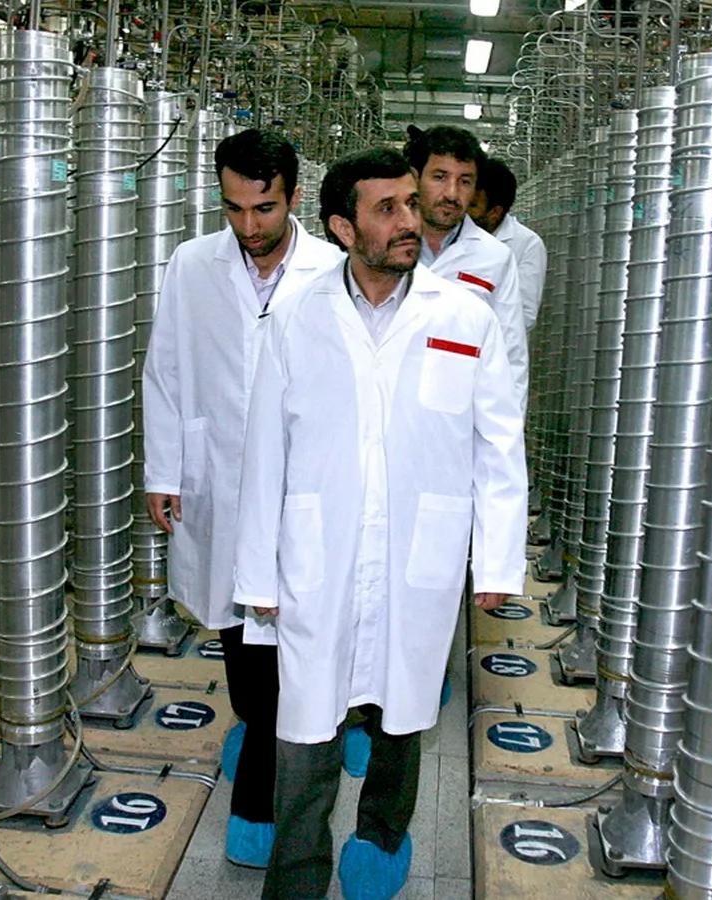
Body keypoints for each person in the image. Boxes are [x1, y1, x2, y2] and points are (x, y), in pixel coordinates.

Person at [232, 148, 527, 900]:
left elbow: (498, 443)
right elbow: (266, 448)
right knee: (305, 724)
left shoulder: (463, 315)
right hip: (318, 548)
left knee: (404, 706)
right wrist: (256, 575)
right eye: (388, 209)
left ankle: (382, 835)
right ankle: (296, 875)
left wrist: (496, 561)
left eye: (410, 202)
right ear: (341, 227)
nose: (411, 220)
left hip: (418, 548)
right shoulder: (296, 317)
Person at [141, 128, 342, 869]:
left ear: (293, 196)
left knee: (285, 655)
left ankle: (259, 802)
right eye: (234, 210)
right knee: (238, 635)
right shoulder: (193, 264)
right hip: (219, 481)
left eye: (263, 209)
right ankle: (264, 732)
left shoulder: (331, 267)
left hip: (301, 491)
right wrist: (164, 469)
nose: (248, 227)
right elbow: (164, 369)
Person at [402, 125, 528, 409]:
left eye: (465, 181)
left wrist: (504, 442)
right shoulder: (386, 244)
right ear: (415, 177)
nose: (452, 193)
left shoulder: (494, 258)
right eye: (439, 177)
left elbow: (511, 357)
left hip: (458, 415)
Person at [469, 156, 547, 334]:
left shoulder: (527, 244)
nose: (464, 211)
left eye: (473, 205)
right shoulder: (452, 235)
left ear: (495, 212)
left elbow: (524, 316)